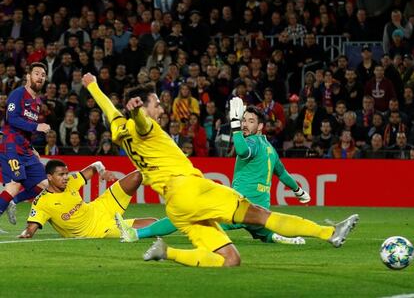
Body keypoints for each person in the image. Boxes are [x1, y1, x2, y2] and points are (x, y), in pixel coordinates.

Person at [82, 73, 358, 268]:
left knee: (230, 259)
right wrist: (138, 112)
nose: (161, 107)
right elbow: (142, 124)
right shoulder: (147, 126)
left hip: (175, 204)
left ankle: (167, 251)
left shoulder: (119, 129)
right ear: (143, 106)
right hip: (190, 188)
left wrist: (93, 87)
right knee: (260, 215)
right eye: (156, 103)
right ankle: (329, 233)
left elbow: (109, 110)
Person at [117, 106, 308, 245]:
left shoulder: (253, 143)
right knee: (266, 233)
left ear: (260, 127)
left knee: (188, 215)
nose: (245, 124)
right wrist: (298, 190)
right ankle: (285, 237)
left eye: (251, 121)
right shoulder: (271, 149)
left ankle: (135, 234)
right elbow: (282, 174)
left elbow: (241, 150)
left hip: (238, 205)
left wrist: (234, 126)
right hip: (260, 207)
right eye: (243, 120)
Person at [18, 159, 156, 239]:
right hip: (99, 230)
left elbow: (96, 165)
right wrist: (26, 234)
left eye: (66, 173)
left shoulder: (71, 181)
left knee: (137, 176)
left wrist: (102, 171)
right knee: (154, 223)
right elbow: (31, 228)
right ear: (49, 177)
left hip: (101, 207)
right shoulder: (42, 202)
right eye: (61, 175)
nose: (66, 177)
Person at [0, 62, 50, 224]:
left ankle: (13, 202)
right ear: (28, 76)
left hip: (26, 149)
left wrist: (33, 147)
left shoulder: (37, 102)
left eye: (43, 75)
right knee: (14, 185)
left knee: (46, 185)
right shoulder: (18, 94)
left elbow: (26, 128)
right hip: (11, 147)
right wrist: (37, 126)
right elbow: (12, 119)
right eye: (36, 73)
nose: (40, 77)